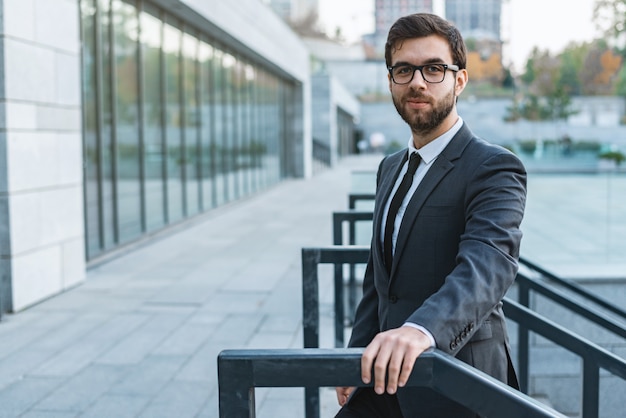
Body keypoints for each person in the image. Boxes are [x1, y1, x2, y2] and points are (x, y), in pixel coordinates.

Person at [334, 13, 527, 418]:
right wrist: (355, 353)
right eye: (404, 70)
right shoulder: (389, 167)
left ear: (459, 80)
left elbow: (487, 266)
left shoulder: (493, 167)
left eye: (434, 69)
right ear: (390, 81)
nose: (418, 82)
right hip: (382, 380)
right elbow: (379, 276)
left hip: (457, 383)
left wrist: (420, 331)